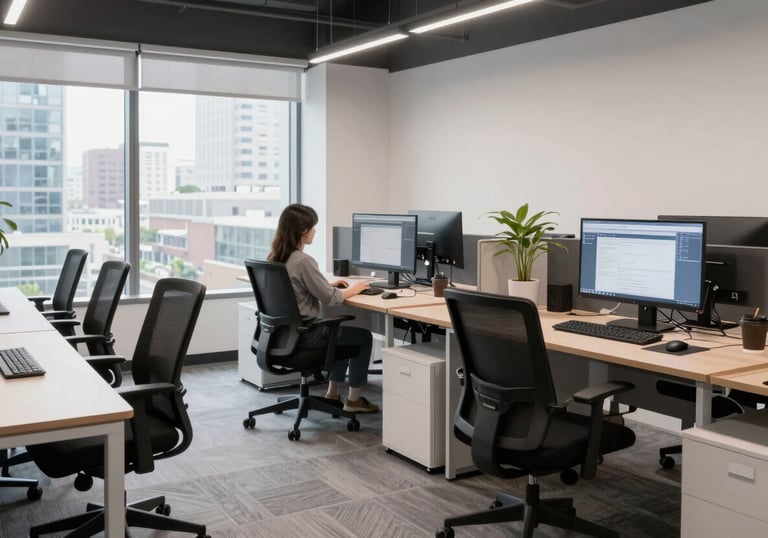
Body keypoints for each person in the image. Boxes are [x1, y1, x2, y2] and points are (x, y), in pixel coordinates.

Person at [268, 203, 379, 413]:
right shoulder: (303, 261)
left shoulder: (275, 256)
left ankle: (332, 393)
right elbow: (330, 299)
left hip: (282, 335)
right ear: (302, 231)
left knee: (341, 334)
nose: (315, 231)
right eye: (312, 227)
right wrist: (355, 288)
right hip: (305, 337)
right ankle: (354, 400)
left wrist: (328, 285)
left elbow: (298, 288)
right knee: (362, 337)